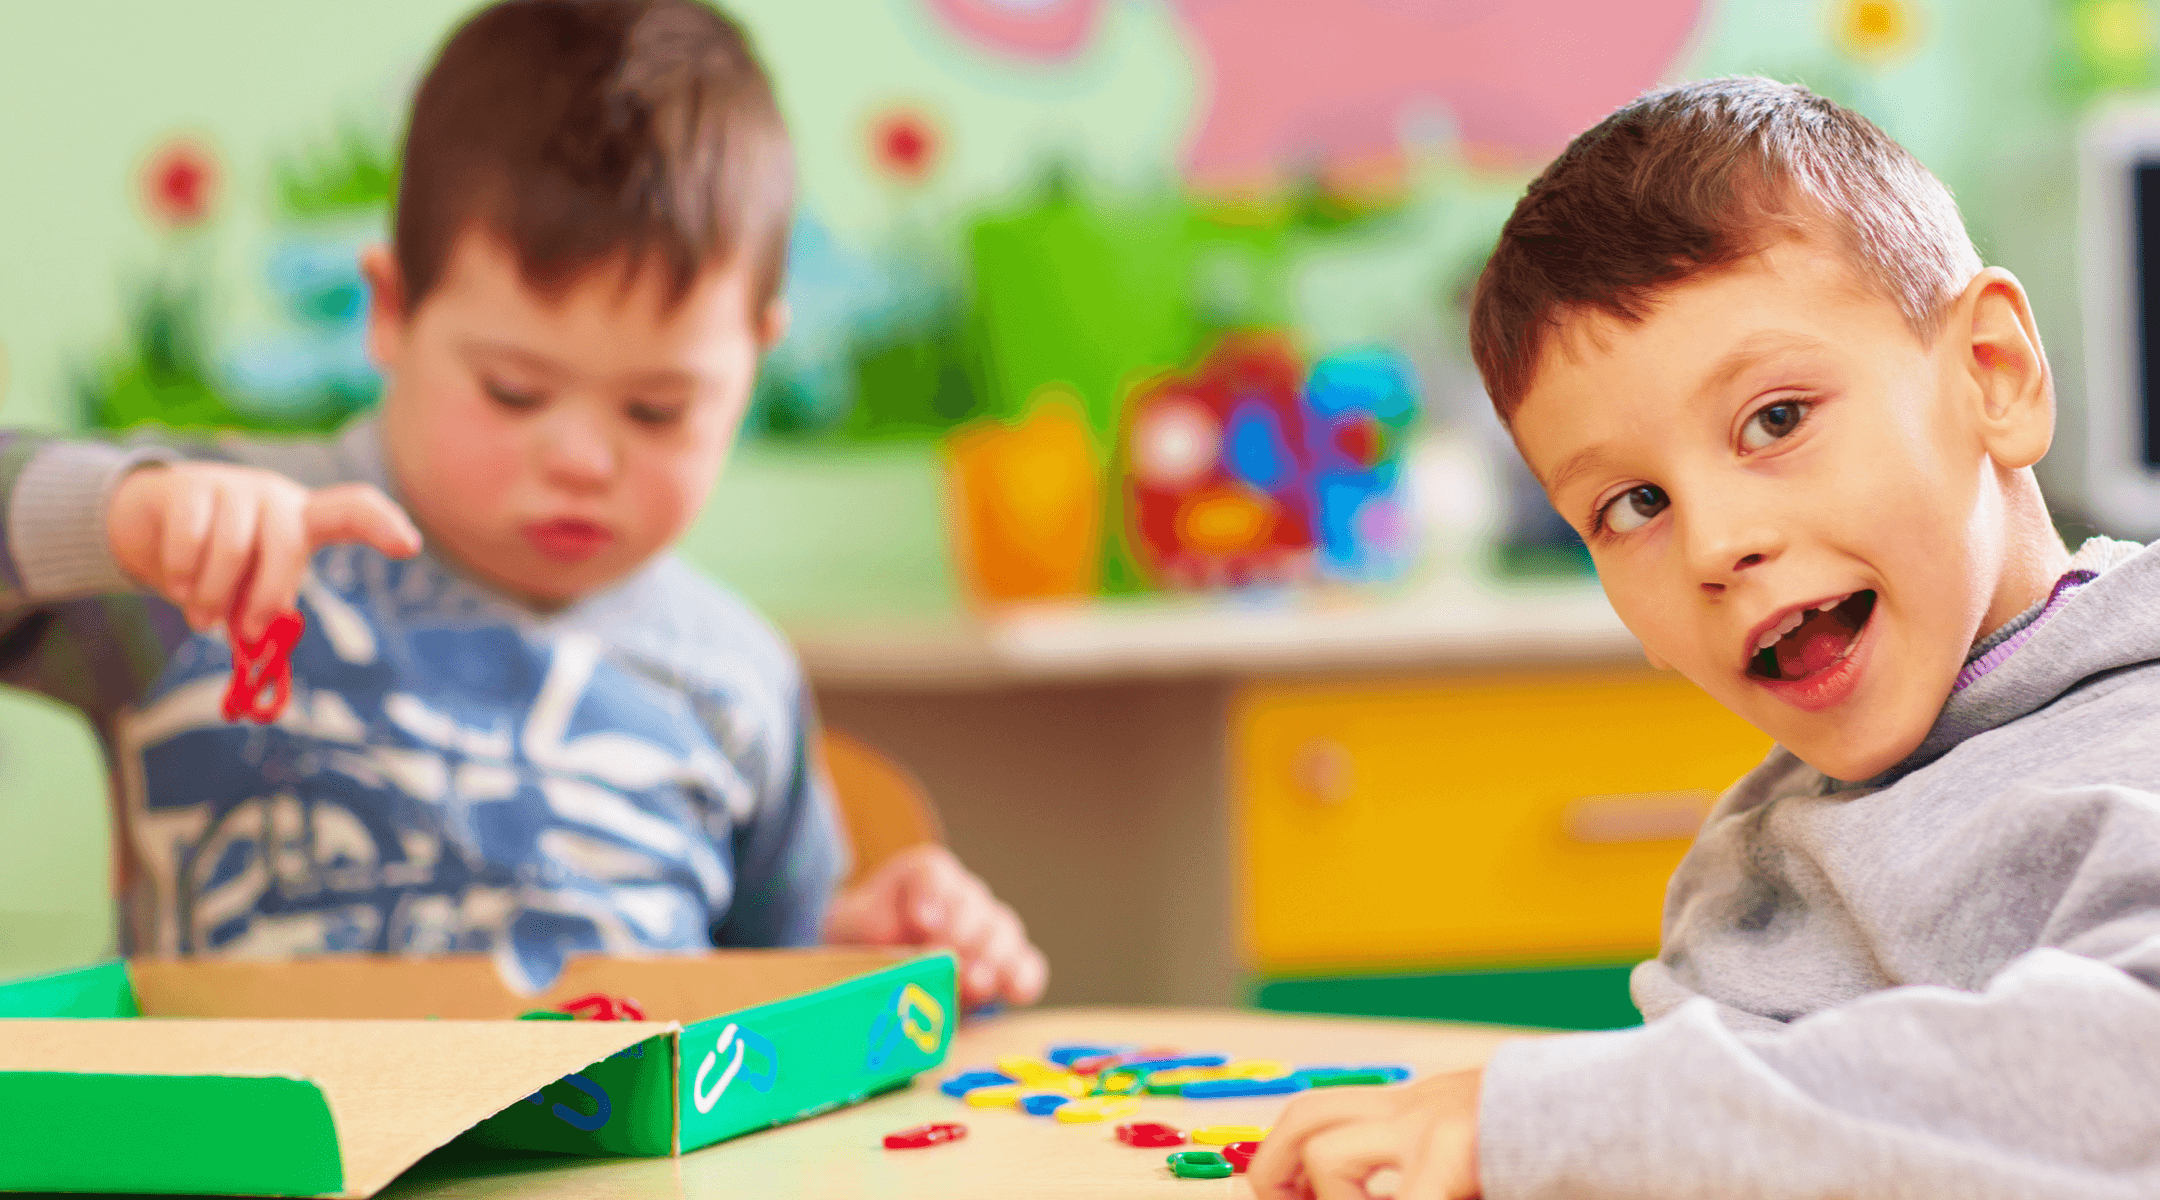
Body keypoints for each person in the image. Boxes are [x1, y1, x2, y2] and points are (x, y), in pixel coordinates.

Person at [0, 0, 1045, 1007]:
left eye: (658, 408)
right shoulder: (198, 553)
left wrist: (866, 949)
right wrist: (118, 515)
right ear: (393, 312)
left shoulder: (737, 678)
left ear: (753, 363)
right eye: (514, 392)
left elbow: (768, 995)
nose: (583, 459)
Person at [1252, 77, 2160, 1199]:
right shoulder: (1754, 866)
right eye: (1633, 505)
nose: (1713, 545)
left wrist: (1556, 1119)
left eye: (1775, 420)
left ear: (1993, 375)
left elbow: (2125, 1090)